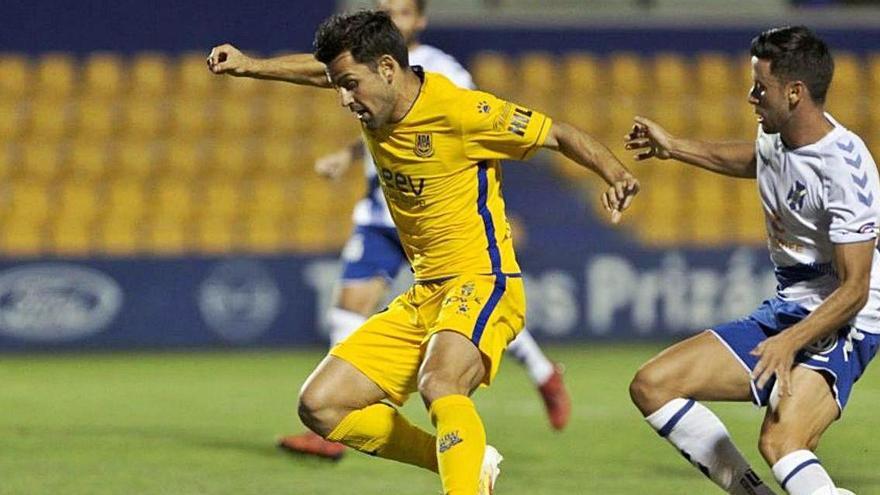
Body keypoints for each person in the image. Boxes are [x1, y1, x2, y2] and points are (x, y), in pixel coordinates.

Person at [209, 10, 638, 495]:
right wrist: (250, 66)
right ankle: (464, 462)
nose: (345, 100)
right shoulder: (371, 91)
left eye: (351, 85)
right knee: (321, 404)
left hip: (482, 280)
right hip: (425, 293)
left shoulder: (460, 110)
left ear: (388, 68)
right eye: (339, 86)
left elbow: (557, 133)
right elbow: (321, 72)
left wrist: (616, 175)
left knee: (441, 382)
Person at [625, 26, 874, 495]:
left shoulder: (846, 167)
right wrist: (673, 147)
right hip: (792, 303)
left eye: (761, 86)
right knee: (653, 385)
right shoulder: (777, 136)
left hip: (846, 316)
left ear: (795, 93)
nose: (750, 96)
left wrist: (791, 342)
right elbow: (757, 161)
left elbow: (855, 288)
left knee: (782, 442)